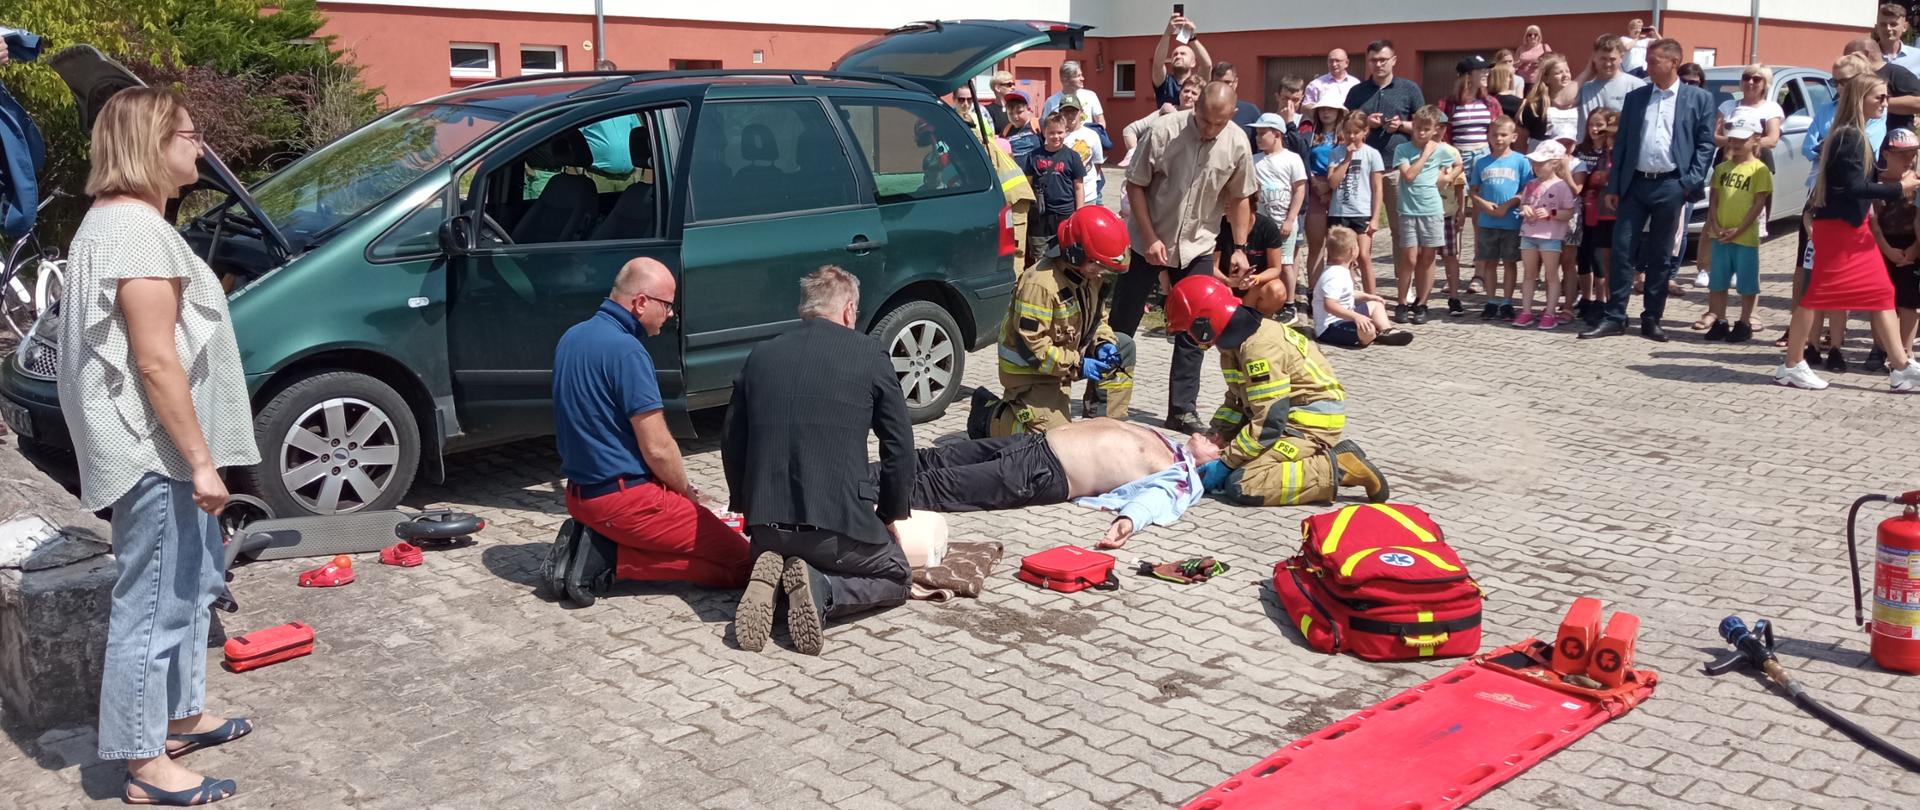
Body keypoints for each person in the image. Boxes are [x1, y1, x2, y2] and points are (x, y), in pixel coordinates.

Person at [57, 87, 256, 808]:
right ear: (151, 143)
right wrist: (201, 461)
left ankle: (179, 719)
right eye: (189, 134)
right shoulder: (136, 233)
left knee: (188, 589)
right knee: (155, 607)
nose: (198, 147)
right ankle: (144, 764)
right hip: (155, 455)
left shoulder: (113, 224)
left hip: (155, 451)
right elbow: (156, 361)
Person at [725, 266, 915, 655]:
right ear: (848, 311)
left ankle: (773, 577)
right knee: (897, 575)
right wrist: (891, 514)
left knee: (782, 552)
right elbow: (898, 445)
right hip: (837, 529)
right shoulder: (869, 353)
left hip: (766, 529)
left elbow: (732, 439)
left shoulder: (761, 355)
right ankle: (825, 589)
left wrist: (746, 508)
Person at [554, 257, 752, 592]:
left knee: (702, 544)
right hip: (625, 501)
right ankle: (609, 560)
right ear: (641, 302)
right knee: (746, 565)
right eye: (667, 304)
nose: (672, 314)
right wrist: (685, 494)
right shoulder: (627, 352)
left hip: (581, 494)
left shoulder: (572, 337)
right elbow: (658, 449)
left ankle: (600, 545)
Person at [1163, 275, 1390, 506]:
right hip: (1284, 418)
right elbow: (1236, 402)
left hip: (1307, 425)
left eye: (1189, 330)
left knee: (1243, 483)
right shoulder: (1235, 345)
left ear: (1205, 323)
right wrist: (1217, 435)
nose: (1190, 338)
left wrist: (1227, 462)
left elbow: (1271, 420)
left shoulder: (1259, 349)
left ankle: (1339, 466)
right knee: (1239, 459)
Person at [1113, 82, 1259, 435]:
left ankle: (1181, 410)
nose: (1209, 130)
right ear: (1195, 109)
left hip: (1196, 246)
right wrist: (1149, 238)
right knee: (1122, 325)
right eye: (1204, 120)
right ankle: (1102, 395)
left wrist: (1239, 247)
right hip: (1145, 240)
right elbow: (1135, 184)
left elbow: (1240, 197)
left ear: (1232, 115)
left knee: (1197, 329)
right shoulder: (1165, 131)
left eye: (1217, 124)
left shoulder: (1238, 142)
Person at [1773, 77, 1920, 391]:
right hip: (1839, 230)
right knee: (1815, 297)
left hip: (1852, 229)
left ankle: (1901, 367)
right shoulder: (1849, 137)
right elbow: (1854, 188)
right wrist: (1899, 188)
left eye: (1886, 97)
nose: (1885, 102)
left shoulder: (1853, 135)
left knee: (1882, 293)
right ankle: (1791, 364)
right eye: (1879, 97)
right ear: (1860, 99)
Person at [1580, 39, 1716, 342]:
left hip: (1671, 184)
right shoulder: (1637, 96)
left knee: (1660, 254)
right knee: (1622, 248)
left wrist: (1688, 182)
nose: (1648, 66)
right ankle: (1615, 316)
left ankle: (1652, 317)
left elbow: (1706, 145)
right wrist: (1615, 186)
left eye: (1654, 61)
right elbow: (1624, 143)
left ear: (1674, 63)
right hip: (1634, 184)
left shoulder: (1697, 99)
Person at [898, 417, 1203, 549]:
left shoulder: (1180, 476)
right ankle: (854, 471)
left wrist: (1128, 521)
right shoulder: (1169, 443)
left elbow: (1156, 499)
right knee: (934, 458)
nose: (1214, 434)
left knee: (935, 484)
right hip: (1035, 443)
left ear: (1212, 464)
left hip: (1045, 472)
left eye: (1220, 443)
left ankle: (855, 493)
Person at [973, 205, 1137, 436]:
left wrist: (1103, 343)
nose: (1101, 272)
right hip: (1031, 374)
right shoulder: (1040, 285)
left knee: (1124, 345)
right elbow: (1034, 350)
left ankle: (1107, 429)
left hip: (1064, 363)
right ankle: (991, 418)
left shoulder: (1088, 274)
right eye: (1098, 265)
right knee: (1054, 442)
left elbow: (1097, 319)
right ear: (1076, 253)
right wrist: (1079, 365)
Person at [1697, 64, 1785, 292]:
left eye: (1757, 79)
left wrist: (1743, 142)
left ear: (1765, 84)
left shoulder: (1771, 108)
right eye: (1747, 77)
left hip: (1757, 166)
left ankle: (1741, 269)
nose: (1751, 82)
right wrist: (1735, 143)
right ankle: (1705, 268)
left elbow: (1773, 139)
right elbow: (1716, 135)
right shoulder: (1728, 105)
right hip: (1725, 164)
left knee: (1753, 217)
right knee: (1713, 214)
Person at [1693, 123, 1774, 343]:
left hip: (1745, 238)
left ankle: (1745, 322)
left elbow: (1759, 204)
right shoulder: (1722, 169)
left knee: (1747, 283)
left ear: (1755, 139)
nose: (1735, 144)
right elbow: (1714, 201)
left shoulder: (1760, 170)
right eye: (1733, 139)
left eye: (1742, 140)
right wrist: (1715, 226)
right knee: (1718, 281)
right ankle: (1720, 320)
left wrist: (1739, 229)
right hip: (1719, 236)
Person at [1346, 39, 1425, 250]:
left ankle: (1403, 281)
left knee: (1401, 228)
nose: (1378, 64)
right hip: (1361, 168)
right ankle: (1357, 279)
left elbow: (1423, 126)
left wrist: (1400, 125)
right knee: (1358, 228)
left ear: (1394, 60)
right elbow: (1345, 126)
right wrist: (1367, 124)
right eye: (1373, 60)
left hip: (1396, 167)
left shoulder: (1409, 89)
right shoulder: (1356, 92)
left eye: (1383, 60)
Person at [1391, 105, 1461, 323]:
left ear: (1434, 130)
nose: (1421, 133)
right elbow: (1409, 176)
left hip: (1432, 209)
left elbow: (1458, 165)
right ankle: (1402, 301)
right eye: (1418, 128)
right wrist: (1426, 154)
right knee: (1409, 258)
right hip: (1409, 211)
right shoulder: (1402, 149)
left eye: (1426, 129)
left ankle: (1422, 303)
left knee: (1428, 258)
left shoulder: (1443, 150)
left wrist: (1447, 177)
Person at [1248, 112, 1309, 318]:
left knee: (1285, 264)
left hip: (1283, 222)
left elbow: (1299, 189)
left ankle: (1290, 304)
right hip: (1261, 224)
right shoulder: (1254, 160)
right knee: (1264, 263)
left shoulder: (1292, 159)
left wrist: (1291, 219)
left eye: (1262, 133)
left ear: (1277, 134)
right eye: (1256, 133)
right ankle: (1263, 301)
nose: (1257, 137)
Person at [1868, 128, 1920, 370]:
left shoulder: (1917, 183)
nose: (1909, 159)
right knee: (1881, 300)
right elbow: (1873, 222)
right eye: (1903, 154)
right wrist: (1886, 249)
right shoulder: (1876, 185)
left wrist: (1915, 248)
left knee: (1909, 301)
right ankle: (1880, 347)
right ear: (1887, 154)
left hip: (1911, 246)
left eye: (1913, 154)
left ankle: (1906, 350)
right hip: (1882, 246)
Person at [1314, 225, 1414, 348]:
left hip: (1346, 316)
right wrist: (1356, 317)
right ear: (1352, 251)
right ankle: (1371, 336)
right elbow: (1330, 305)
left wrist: (1368, 296)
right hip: (1330, 327)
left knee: (1375, 304)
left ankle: (1386, 330)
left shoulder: (1341, 271)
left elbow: (1348, 293)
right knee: (1368, 330)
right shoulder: (1334, 275)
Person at [1472, 116, 1532, 319]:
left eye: (1503, 135)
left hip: (1511, 220)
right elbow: (1473, 190)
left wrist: (1508, 205)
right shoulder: (1481, 163)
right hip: (1487, 221)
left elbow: (1527, 190)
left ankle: (1507, 301)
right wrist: (1484, 204)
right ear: (1488, 137)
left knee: (1509, 262)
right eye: (1494, 135)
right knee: (1489, 262)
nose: (1498, 138)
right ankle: (1491, 300)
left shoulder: (1521, 161)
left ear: (1513, 137)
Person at [1513, 140, 1576, 329]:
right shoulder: (1531, 184)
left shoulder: (1562, 186)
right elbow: (1524, 202)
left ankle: (1550, 312)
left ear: (1555, 163)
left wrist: (1552, 214)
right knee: (1529, 274)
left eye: (1541, 163)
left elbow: (1569, 212)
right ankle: (1526, 311)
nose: (1536, 166)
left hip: (1550, 237)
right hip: (1529, 234)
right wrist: (1526, 208)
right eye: (1535, 162)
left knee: (1551, 274)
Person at [1327, 110, 1387, 296]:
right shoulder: (1336, 153)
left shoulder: (1372, 154)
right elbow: (1332, 182)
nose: (1352, 136)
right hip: (1339, 212)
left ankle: (1372, 298)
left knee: (1363, 256)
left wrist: (1375, 217)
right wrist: (1347, 160)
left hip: (1361, 212)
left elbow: (1377, 188)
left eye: (1356, 132)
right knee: (1338, 258)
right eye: (1348, 132)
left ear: (1365, 132)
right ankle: (1341, 296)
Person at [1573, 108, 1621, 325]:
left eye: (1600, 126)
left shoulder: (1614, 154)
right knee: (1583, 256)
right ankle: (1586, 298)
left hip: (1606, 212)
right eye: (1591, 124)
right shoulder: (1581, 150)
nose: (1595, 129)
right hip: (1584, 209)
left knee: (1600, 257)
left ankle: (1603, 301)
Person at [1019, 111, 1086, 263]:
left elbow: (1078, 186)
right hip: (1040, 216)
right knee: (1040, 256)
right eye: (1051, 133)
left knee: (1066, 254)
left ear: (1066, 131)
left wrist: (1079, 212)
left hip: (1065, 213)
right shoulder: (1034, 156)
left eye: (1060, 132)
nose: (1056, 136)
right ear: (1044, 132)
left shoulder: (1072, 157)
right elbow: (1027, 184)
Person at [1303, 99, 1347, 281]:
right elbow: (1304, 160)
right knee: (1316, 244)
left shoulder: (1345, 136)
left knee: (1339, 244)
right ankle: (1314, 289)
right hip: (1314, 186)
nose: (1326, 113)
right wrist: (1316, 184)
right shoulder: (1311, 134)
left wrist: (1329, 188)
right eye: (1322, 109)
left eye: (1331, 109)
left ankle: (1335, 286)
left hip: (1339, 185)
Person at [1843, 37, 1920, 138]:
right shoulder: (1854, 77)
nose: (1846, 62)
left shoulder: (1898, 74)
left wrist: (1875, 103)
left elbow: (1917, 102)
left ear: (1865, 54)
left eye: (1849, 57)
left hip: (1894, 143)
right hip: (1859, 140)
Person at [1123, 75, 1202, 162]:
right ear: (1180, 93)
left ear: (1201, 99)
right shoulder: (1165, 111)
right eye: (1186, 91)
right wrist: (1135, 156)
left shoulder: (1203, 119)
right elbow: (1129, 130)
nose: (1188, 95)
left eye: (1194, 93)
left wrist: (1174, 116)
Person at [1578, 35, 1646, 134]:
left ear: (1621, 57)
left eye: (1612, 59)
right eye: (1603, 59)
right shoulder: (1584, 88)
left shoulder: (1636, 86)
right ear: (1594, 58)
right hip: (1588, 148)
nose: (1608, 64)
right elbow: (1561, 101)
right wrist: (1587, 71)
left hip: (1621, 147)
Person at [1151, 11, 1213, 108]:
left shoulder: (1197, 82)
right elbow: (1157, 65)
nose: (1178, 56)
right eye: (1175, 55)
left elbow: (1207, 66)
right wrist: (1168, 33)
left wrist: (1192, 38)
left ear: (1193, 63)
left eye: (1183, 54)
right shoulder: (1165, 82)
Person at [1522, 54, 1581, 148]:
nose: (1565, 75)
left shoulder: (1580, 100)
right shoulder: (1535, 105)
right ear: (1546, 78)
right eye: (1558, 73)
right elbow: (1521, 138)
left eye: (1567, 71)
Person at [1057, 97, 1105, 207]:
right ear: (1060, 113)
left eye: (1074, 111)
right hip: (1063, 196)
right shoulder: (1056, 135)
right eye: (1066, 112)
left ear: (1081, 112)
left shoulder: (1092, 135)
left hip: (1088, 194)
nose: (1070, 115)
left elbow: (1097, 163)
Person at [1043, 60, 1105, 127]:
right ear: (1065, 79)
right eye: (1078, 76)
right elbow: (1045, 126)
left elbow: (1101, 122)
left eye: (1081, 75)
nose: (1082, 78)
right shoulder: (1051, 101)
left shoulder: (1090, 96)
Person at [1212, 60, 1264, 140]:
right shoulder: (1204, 111)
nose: (1222, 87)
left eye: (1227, 82)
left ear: (1236, 82)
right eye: (1218, 83)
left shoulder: (1250, 112)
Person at [1878, 4, 1920, 77]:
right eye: (1883, 24)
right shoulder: (1866, 56)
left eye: (1893, 24)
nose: (1888, 28)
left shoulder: (1917, 58)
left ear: (1904, 27)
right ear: (1877, 26)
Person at [1004, 92, 1042, 160]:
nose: (1015, 117)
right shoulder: (1006, 131)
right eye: (1010, 113)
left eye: (1019, 112)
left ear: (1028, 110)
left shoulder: (1038, 124)